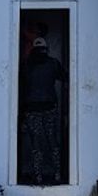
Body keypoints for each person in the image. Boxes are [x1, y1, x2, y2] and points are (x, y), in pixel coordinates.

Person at [19, 37, 66, 185]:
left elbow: (21, 87)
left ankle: (38, 176)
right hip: (49, 108)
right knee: (53, 142)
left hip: (32, 109)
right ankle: (57, 174)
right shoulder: (53, 63)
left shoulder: (26, 64)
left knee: (36, 145)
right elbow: (66, 77)